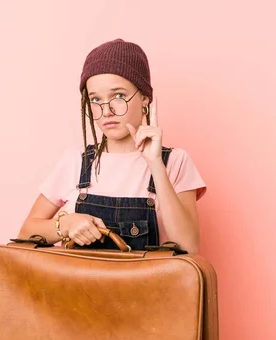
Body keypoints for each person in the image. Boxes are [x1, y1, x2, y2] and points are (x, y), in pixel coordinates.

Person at [17, 39, 206, 254]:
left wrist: (155, 165)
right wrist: (66, 225)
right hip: (76, 287)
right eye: (95, 99)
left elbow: (188, 246)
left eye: (119, 96)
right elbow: (26, 232)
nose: (106, 111)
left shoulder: (175, 162)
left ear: (145, 98)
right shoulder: (76, 161)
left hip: (146, 287)